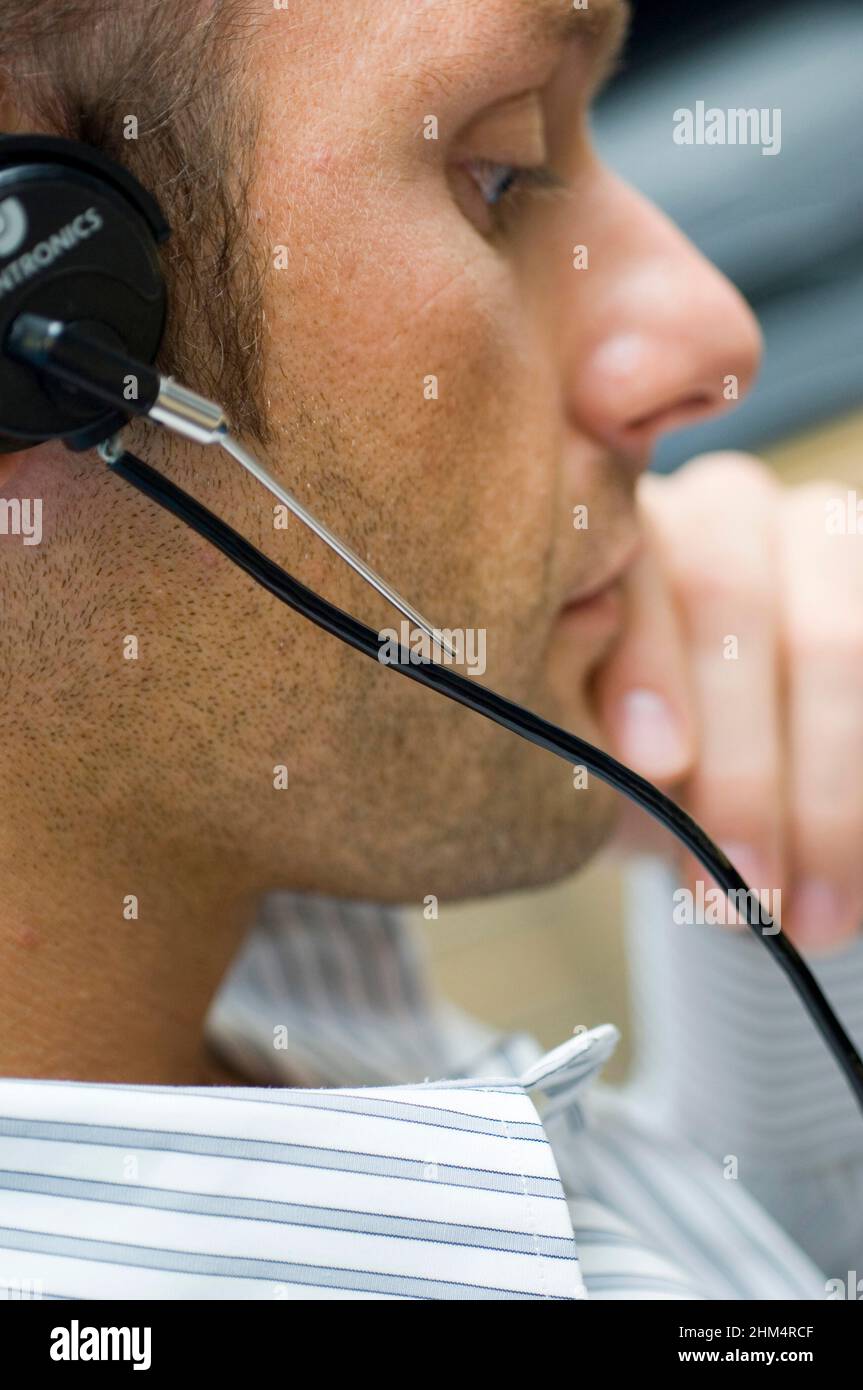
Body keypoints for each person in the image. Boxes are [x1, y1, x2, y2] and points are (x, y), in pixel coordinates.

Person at [0, 0, 860, 1300]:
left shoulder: (263, 964)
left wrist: (789, 899)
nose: (711, 333)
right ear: (44, 308)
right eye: (500, 171)